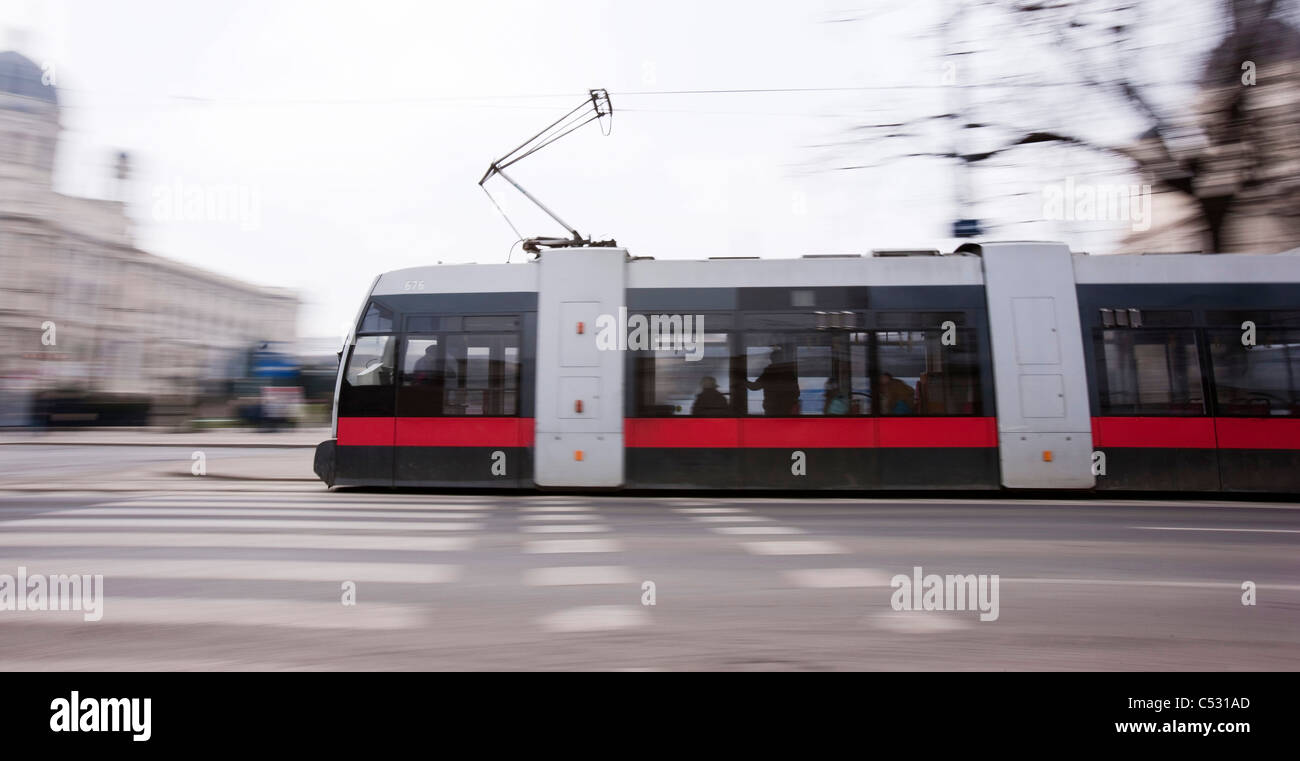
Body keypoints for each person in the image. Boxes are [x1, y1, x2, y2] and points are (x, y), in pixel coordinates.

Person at [746, 347, 800, 416]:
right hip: (786, 410)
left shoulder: (769, 373)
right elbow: (797, 393)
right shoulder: (789, 373)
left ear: (772, 359)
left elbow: (755, 387)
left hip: (772, 410)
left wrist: (743, 381)